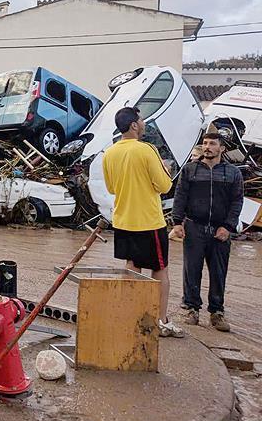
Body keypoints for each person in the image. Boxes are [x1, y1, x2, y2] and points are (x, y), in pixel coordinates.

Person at [102, 107, 184, 338]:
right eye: (141, 119)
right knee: (159, 269)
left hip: (123, 220)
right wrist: (165, 171)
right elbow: (165, 187)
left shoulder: (109, 153)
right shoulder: (147, 150)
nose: (144, 122)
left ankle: (131, 316)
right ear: (134, 125)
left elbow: (110, 188)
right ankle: (161, 320)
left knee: (132, 266)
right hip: (148, 221)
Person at [171, 133, 243, 332]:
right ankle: (192, 309)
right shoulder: (190, 170)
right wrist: (177, 222)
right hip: (194, 227)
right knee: (191, 269)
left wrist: (228, 226)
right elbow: (180, 196)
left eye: (212, 143)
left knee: (219, 272)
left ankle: (216, 313)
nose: (207, 147)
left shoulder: (232, 173)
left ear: (222, 148)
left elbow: (237, 201)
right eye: (205, 143)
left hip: (220, 230)